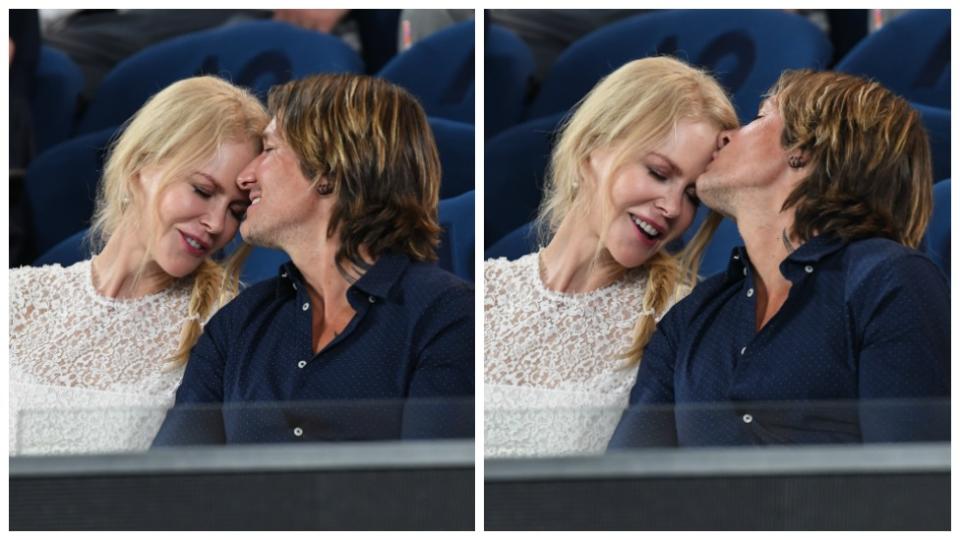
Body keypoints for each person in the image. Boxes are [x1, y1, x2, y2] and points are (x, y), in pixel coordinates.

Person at [609, 70, 949, 448]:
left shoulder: (888, 280)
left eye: (759, 117)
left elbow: (913, 485)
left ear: (803, 149)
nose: (724, 137)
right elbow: (626, 486)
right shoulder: (689, 319)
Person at [153, 73, 474, 446]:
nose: (246, 177)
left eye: (269, 150)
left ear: (328, 171)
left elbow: (434, 489)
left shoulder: (447, 317)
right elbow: (173, 483)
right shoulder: (238, 324)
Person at [484, 56, 739, 458]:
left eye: (693, 195)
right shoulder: (483, 291)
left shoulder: (683, 316)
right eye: (658, 172)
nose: (673, 207)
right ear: (591, 150)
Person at [9, 76, 268, 455]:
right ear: (141, 166)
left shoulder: (226, 324)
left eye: (236, 210)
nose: (216, 224)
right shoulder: (16, 294)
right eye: (202, 190)